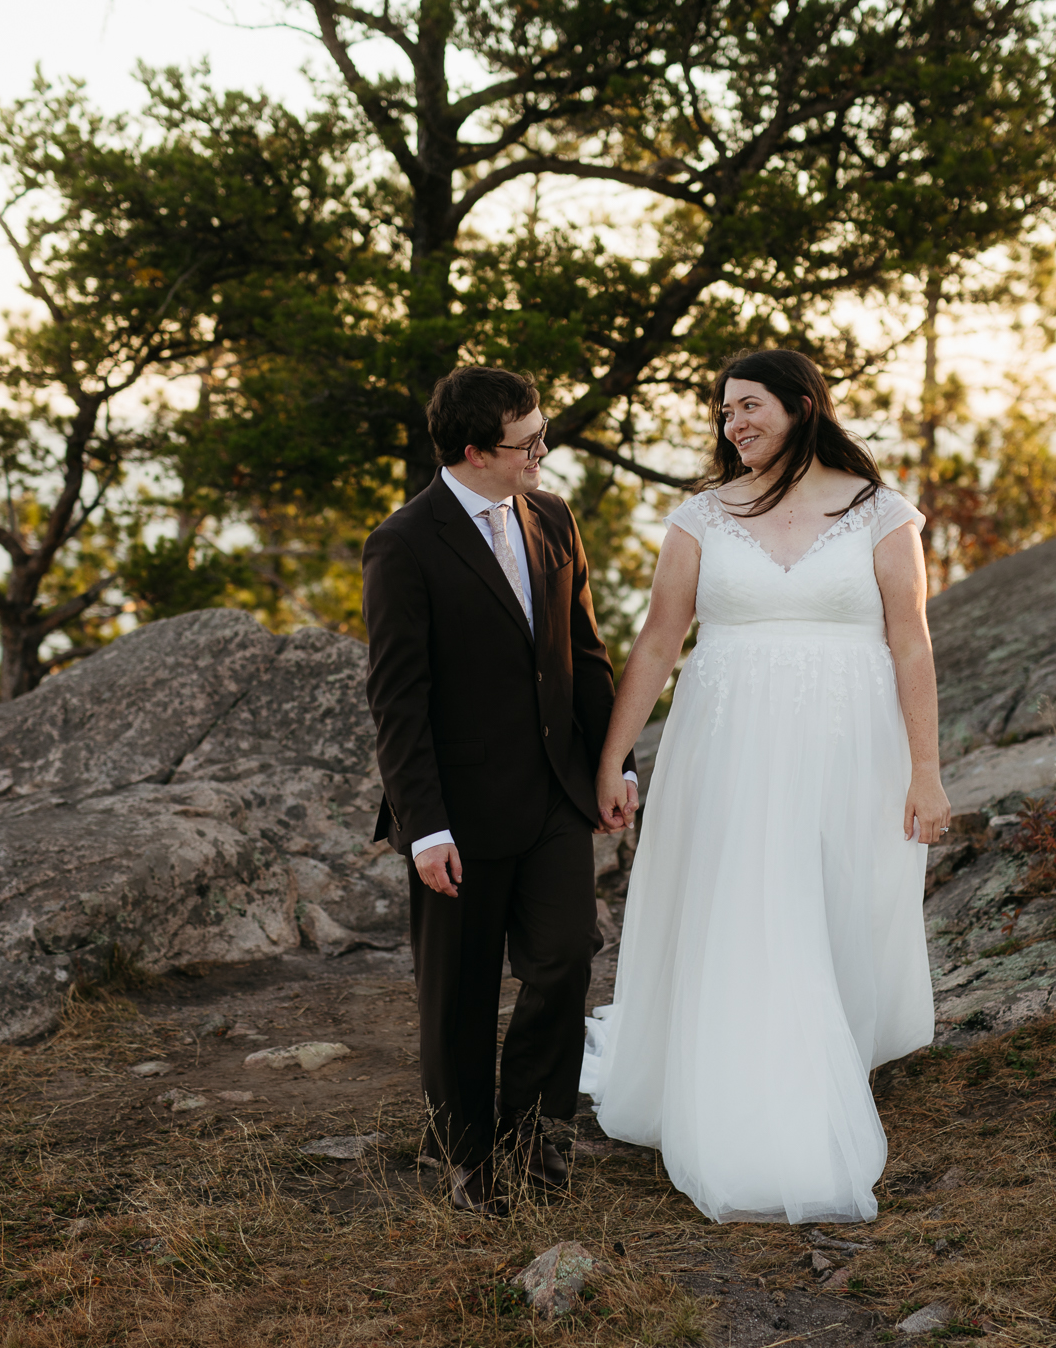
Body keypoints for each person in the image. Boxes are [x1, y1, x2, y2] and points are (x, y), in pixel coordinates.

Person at [580, 348, 949, 1224]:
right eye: (723, 410)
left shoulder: (880, 512)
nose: (732, 422)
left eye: (748, 405)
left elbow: (912, 643)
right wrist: (612, 757)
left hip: (851, 752)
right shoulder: (702, 515)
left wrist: (926, 772)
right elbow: (659, 642)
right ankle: (754, 1102)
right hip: (729, 753)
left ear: (801, 405)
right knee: (751, 908)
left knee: (832, 910)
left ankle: (823, 1063)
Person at [362, 366, 637, 1216]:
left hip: (555, 794)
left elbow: (585, 654)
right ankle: (468, 1158)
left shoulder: (552, 516)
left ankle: (529, 1130)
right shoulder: (404, 542)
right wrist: (424, 825)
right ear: (476, 451)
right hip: (458, 812)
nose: (544, 453)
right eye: (529, 443)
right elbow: (397, 699)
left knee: (565, 956)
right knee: (460, 992)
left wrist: (613, 764)